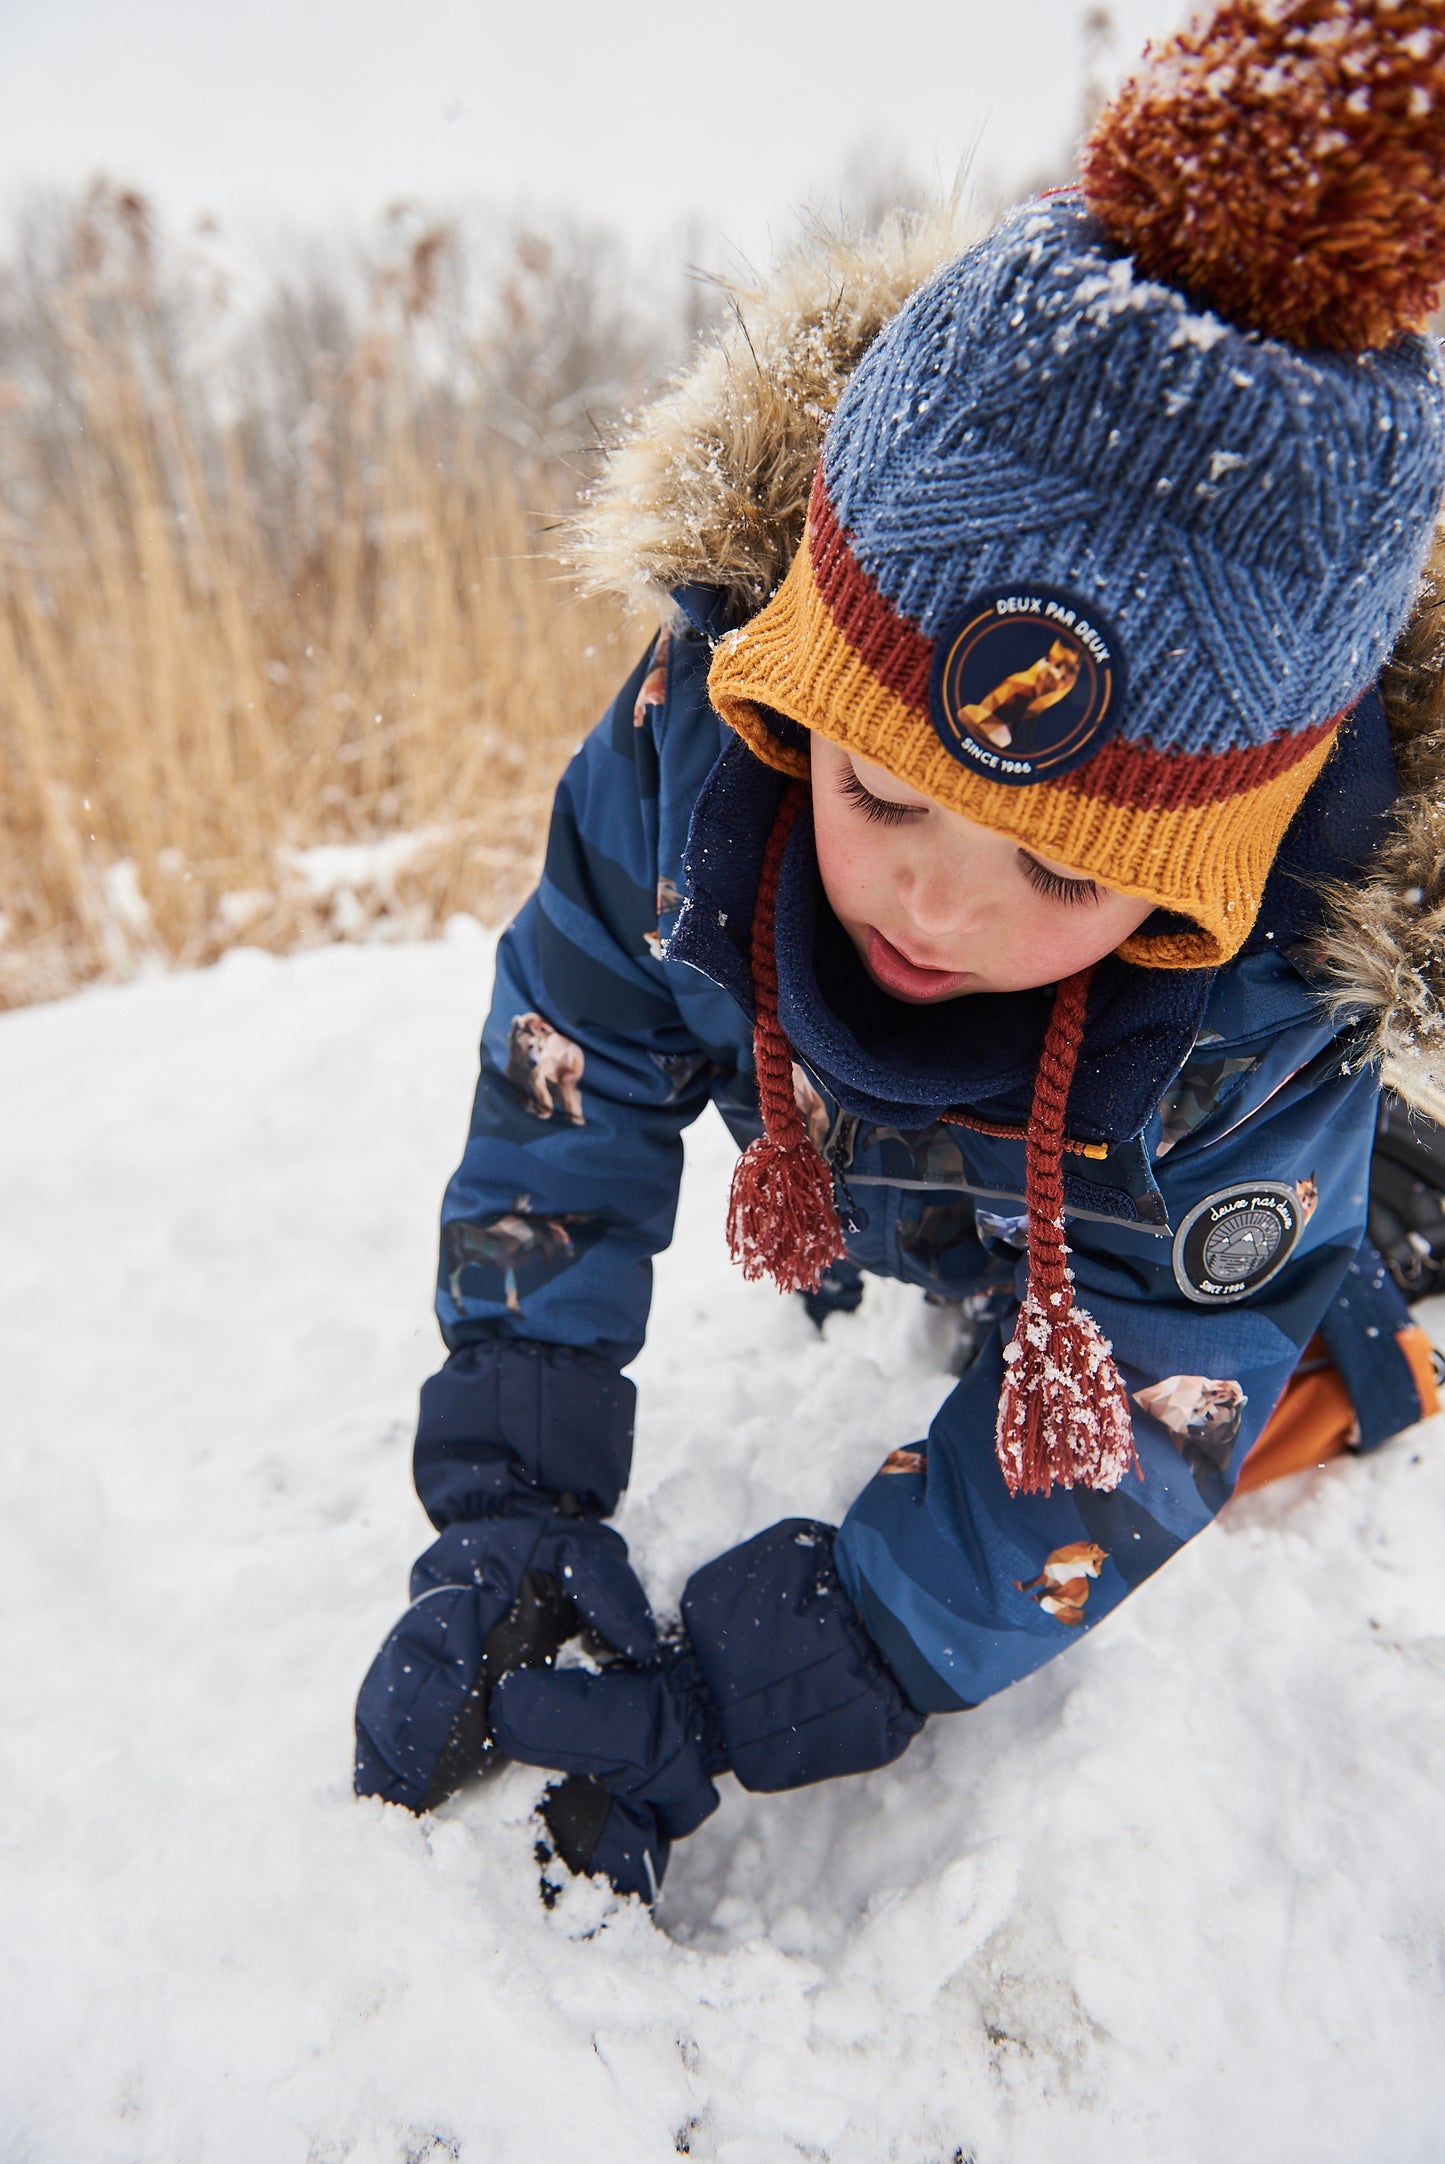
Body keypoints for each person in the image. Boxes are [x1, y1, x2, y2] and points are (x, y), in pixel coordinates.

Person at [355, 0, 1445, 1902]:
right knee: (936, 1229)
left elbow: (1159, 1365)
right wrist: (511, 1493)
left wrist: (836, 1648)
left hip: (1229, 1171)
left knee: (1317, 1342)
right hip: (924, 1167)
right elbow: (577, 1068)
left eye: (1058, 865)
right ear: (794, 694)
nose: (936, 906)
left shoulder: (1260, 1006)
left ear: (1210, 865)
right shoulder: (689, 748)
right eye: (881, 795)